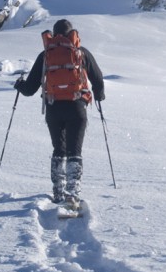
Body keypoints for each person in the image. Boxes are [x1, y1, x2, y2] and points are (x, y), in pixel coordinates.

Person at [14, 19, 105, 206]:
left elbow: (30, 89)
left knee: (59, 149)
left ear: (54, 35)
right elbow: (98, 78)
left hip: (53, 108)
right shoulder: (81, 53)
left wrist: (19, 85)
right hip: (77, 107)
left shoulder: (46, 54)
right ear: (73, 34)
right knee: (74, 151)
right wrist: (99, 96)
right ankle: (73, 192)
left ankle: (58, 191)